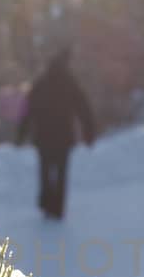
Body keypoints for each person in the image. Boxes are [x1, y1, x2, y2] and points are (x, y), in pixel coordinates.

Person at [15, 50, 96, 219]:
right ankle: (57, 207)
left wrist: (21, 135)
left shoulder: (40, 84)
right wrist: (89, 133)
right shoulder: (70, 84)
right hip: (64, 138)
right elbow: (84, 109)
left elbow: (27, 112)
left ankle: (46, 203)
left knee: (45, 170)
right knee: (61, 172)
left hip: (43, 137)